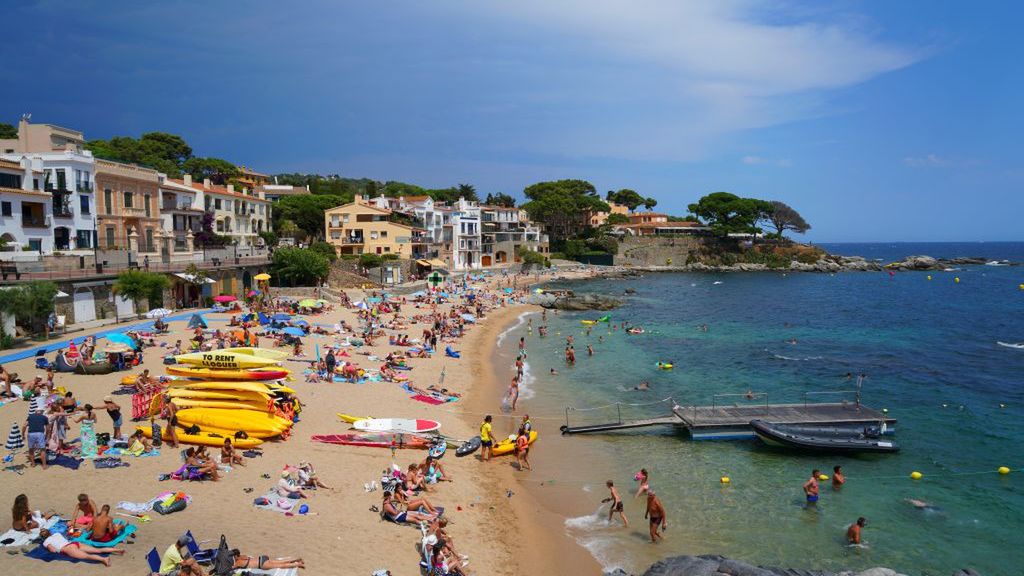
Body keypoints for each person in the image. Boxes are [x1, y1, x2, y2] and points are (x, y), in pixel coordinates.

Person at [40, 527, 124, 566]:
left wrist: (51, 549)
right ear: (49, 532)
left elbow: (53, 550)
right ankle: (116, 549)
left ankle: (104, 559)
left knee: (87, 556)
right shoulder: (57, 534)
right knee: (98, 550)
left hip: (68, 549)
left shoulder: (46, 542)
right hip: (74, 543)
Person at [232, 551, 305, 571]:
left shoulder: (238, 563)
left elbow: (230, 568)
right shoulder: (243, 556)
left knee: (281, 565)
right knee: (281, 562)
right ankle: (297, 559)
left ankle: (298, 564)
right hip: (262, 558)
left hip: (262, 564)